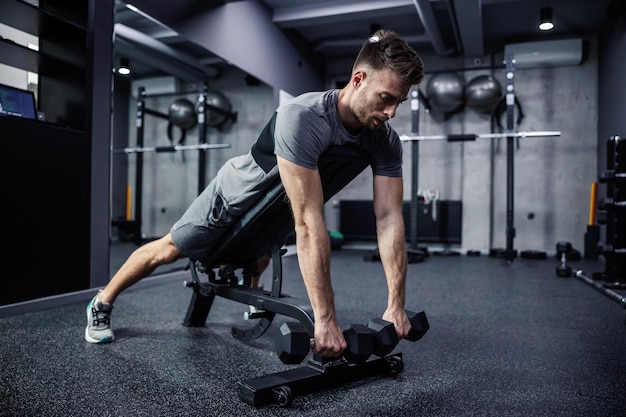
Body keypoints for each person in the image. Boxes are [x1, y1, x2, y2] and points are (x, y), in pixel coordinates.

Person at [86, 29, 424, 359]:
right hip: (231, 198)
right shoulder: (304, 118)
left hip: (278, 208)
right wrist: (325, 320)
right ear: (359, 79)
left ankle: (253, 295)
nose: (392, 113)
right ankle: (102, 301)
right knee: (170, 249)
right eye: (386, 99)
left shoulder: (384, 141)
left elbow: (389, 219)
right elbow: (308, 220)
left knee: (266, 240)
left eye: (399, 102)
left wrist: (396, 304)